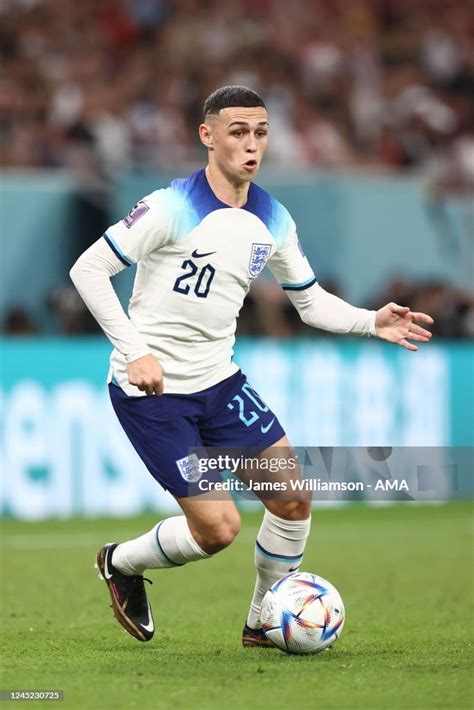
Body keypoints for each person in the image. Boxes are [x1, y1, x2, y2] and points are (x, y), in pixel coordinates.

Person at [70, 85, 433, 646]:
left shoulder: (273, 218)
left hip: (221, 385)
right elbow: (87, 271)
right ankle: (121, 562)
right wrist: (132, 349)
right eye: (238, 131)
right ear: (207, 136)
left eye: (260, 132)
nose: (251, 144)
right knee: (219, 531)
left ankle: (264, 620)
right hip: (156, 395)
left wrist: (370, 322)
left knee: (293, 499)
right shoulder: (170, 207)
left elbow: (308, 301)